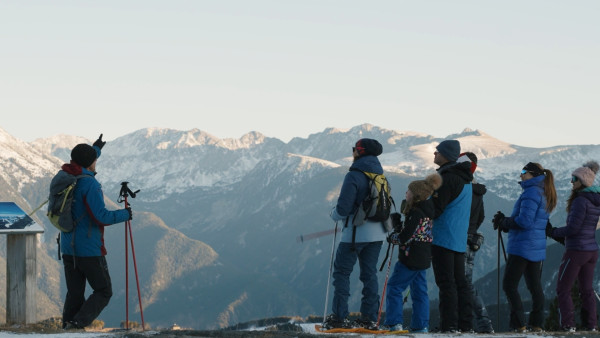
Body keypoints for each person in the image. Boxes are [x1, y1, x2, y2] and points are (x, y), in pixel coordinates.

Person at [59, 134, 132, 329]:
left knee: (74, 293)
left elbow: (83, 159)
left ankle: (67, 327)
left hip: (67, 247)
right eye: (95, 159)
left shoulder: (67, 176)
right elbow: (101, 217)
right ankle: (76, 324)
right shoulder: (89, 184)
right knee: (104, 290)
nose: (96, 162)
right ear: (91, 163)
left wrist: (96, 148)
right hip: (89, 249)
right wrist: (125, 214)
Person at [325, 138, 389, 330]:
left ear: (359, 152)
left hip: (355, 234)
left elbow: (343, 208)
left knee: (342, 273)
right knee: (369, 275)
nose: (353, 152)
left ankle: (339, 318)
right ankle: (369, 319)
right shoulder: (381, 176)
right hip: (378, 235)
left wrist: (333, 215)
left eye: (354, 149)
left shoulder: (353, 175)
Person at [493, 162, 557, 332]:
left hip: (522, 246)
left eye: (523, 172)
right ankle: (536, 324)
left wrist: (504, 222)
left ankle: (518, 324)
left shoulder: (531, 192)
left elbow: (524, 221)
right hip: (536, 246)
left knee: (509, 285)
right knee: (535, 286)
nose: (520, 175)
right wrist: (506, 222)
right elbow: (533, 221)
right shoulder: (544, 192)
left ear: (532, 174)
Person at [383, 173, 442, 333]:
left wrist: (394, 237)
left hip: (410, 257)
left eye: (408, 191)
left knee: (395, 287)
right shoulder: (428, 210)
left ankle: (394, 323)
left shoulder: (416, 212)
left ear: (416, 195)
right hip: (423, 256)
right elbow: (418, 232)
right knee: (419, 291)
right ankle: (420, 325)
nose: (406, 193)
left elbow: (405, 237)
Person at [547, 161, 600, 332]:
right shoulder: (595, 200)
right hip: (592, 250)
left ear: (582, 181)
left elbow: (573, 228)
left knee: (563, 289)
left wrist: (553, 231)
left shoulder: (580, 201)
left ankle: (568, 325)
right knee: (586, 290)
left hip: (576, 251)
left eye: (573, 179)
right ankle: (592, 325)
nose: (571, 182)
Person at [430, 140, 474, 333]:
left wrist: (418, 207)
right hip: (458, 238)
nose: (434, 154)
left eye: (437, 151)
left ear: (446, 155)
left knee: (446, 283)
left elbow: (437, 209)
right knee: (460, 284)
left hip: (442, 236)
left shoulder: (446, 178)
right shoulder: (465, 179)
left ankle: (449, 326)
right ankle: (465, 325)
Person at [458, 152, 494, 333]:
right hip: (470, 238)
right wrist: (472, 230)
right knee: (466, 283)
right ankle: (482, 323)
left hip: (458, 239)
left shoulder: (461, 189)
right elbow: (481, 216)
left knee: (460, 284)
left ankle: (476, 324)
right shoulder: (478, 192)